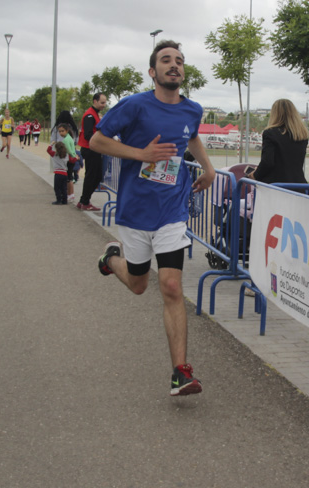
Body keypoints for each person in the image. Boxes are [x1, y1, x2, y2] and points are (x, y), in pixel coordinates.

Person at [90, 39, 216, 396]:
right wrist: (141, 154)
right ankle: (111, 259)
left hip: (172, 211)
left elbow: (191, 139)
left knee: (171, 286)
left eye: (179, 60)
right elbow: (98, 141)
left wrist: (208, 168)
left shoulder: (192, 109)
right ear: (153, 71)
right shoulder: (133, 106)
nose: (174, 65)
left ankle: (181, 372)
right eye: (165, 60)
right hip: (135, 211)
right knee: (138, 284)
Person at [248, 99, 309, 187]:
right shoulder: (302, 135)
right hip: (298, 185)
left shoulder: (270, 133)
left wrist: (255, 174)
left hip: (276, 187)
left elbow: (267, 162)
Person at [77, 93, 109, 211]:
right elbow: (88, 135)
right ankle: (85, 201)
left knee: (95, 176)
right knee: (93, 176)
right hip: (90, 149)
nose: (104, 105)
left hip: (93, 149)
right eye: (102, 102)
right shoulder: (90, 115)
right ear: (95, 101)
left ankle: (83, 200)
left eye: (105, 102)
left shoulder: (94, 114)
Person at [48, 122, 78, 205]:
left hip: (61, 170)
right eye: (59, 131)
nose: (61, 133)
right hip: (67, 166)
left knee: (61, 185)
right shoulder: (70, 138)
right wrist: (75, 157)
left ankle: (62, 199)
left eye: (62, 131)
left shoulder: (65, 141)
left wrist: (73, 156)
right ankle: (67, 197)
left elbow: (68, 149)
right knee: (67, 182)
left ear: (67, 130)